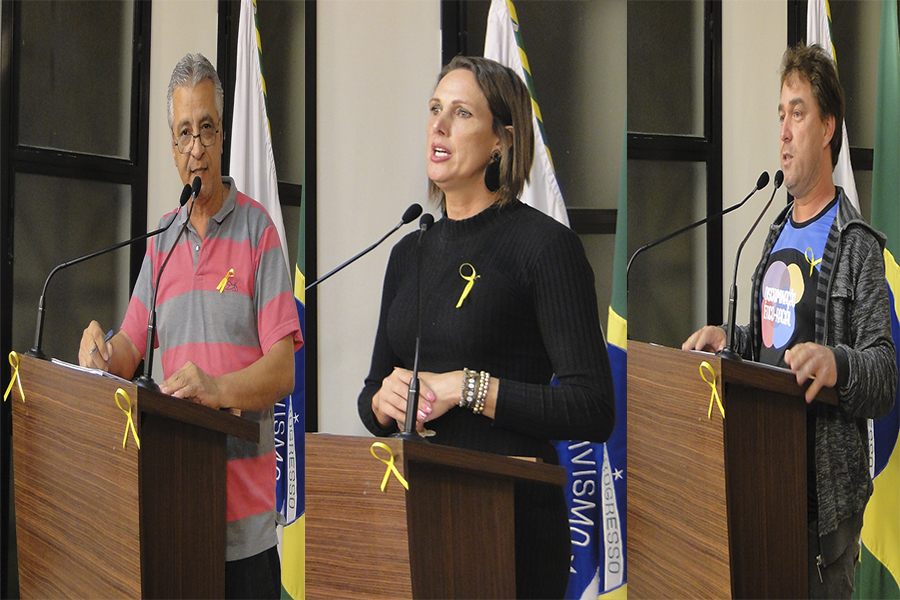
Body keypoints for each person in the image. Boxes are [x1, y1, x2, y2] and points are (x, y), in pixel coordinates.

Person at [357, 56, 616, 599]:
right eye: (434, 110)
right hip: (417, 513)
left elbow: (593, 406)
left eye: (461, 113)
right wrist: (383, 400)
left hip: (512, 525)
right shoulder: (411, 250)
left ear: (501, 140)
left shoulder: (545, 248)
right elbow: (371, 394)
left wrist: (468, 387)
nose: (439, 126)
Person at [78, 53, 302, 600]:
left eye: (206, 129)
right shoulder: (161, 238)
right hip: (174, 508)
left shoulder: (259, 231)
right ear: (172, 145)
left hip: (244, 530)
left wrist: (217, 390)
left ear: (222, 135)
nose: (195, 147)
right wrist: (101, 354)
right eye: (183, 133)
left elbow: (282, 370)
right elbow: (130, 348)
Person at [683, 43, 896, 599]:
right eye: (780, 115)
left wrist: (836, 360)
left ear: (828, 127)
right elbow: (775, 347)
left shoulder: (856, 246)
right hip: (760, 477)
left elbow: (883, 373)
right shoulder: (772, 234)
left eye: (797, 113)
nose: (783, 131)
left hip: (821, 498)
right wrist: (733, 339)